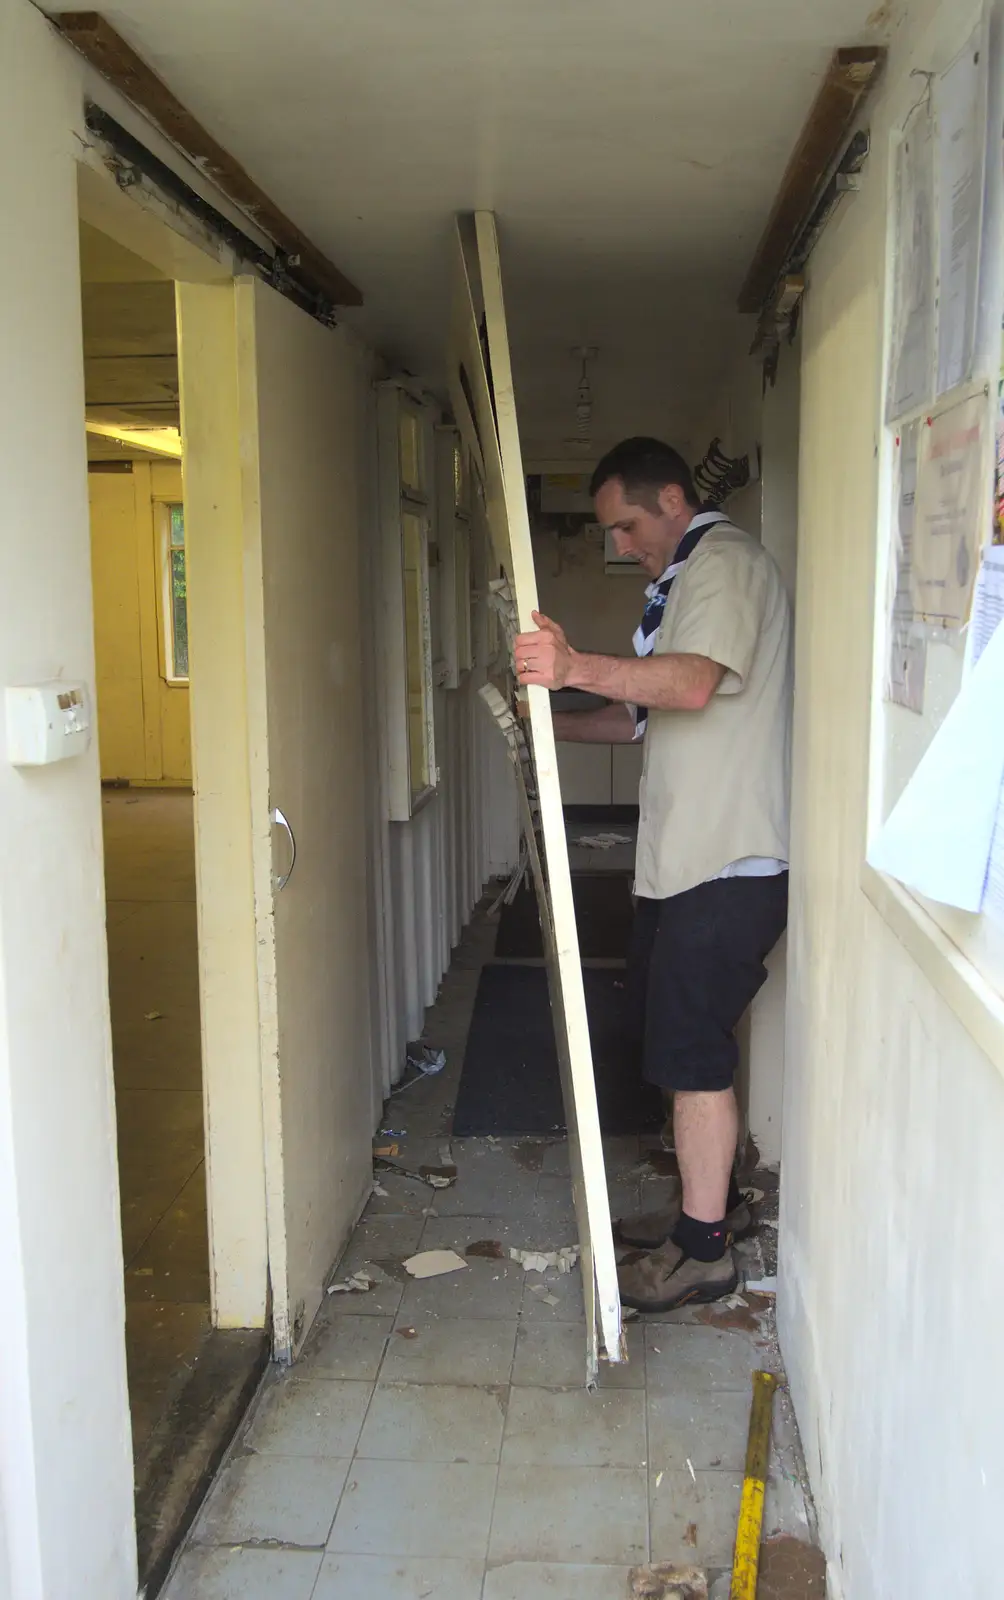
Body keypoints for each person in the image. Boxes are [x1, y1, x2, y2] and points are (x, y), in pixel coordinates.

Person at [514, 437, 792, 1313]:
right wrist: (545, 723)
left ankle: (705, 1252)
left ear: (673, 498)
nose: (622, 545)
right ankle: (701, 1216)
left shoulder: (726, 565)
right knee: (672, 1044)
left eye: (627, 526)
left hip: (729, 860)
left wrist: (574, 666)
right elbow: (638, 715)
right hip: (684, 864)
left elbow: (694, 684)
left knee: (692, 1053)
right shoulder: (682, 584)